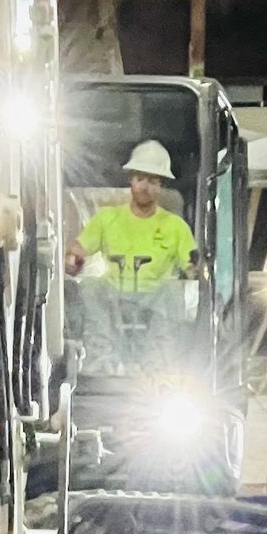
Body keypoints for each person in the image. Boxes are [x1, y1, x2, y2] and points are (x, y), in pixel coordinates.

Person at [67, 140, 197, 370]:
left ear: (161, 185)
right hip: (113, 295)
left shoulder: (175, 227)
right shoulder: (107, 219)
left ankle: (158, 362)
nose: (146, 187)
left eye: (153, 181)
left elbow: (192, 265)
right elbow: (79, 248)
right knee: (92, 288)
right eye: (141, 179)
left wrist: (195, 270)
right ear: (131, 180)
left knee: (171, 292)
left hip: (154, 299)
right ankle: (100, 358)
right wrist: (73, 259)